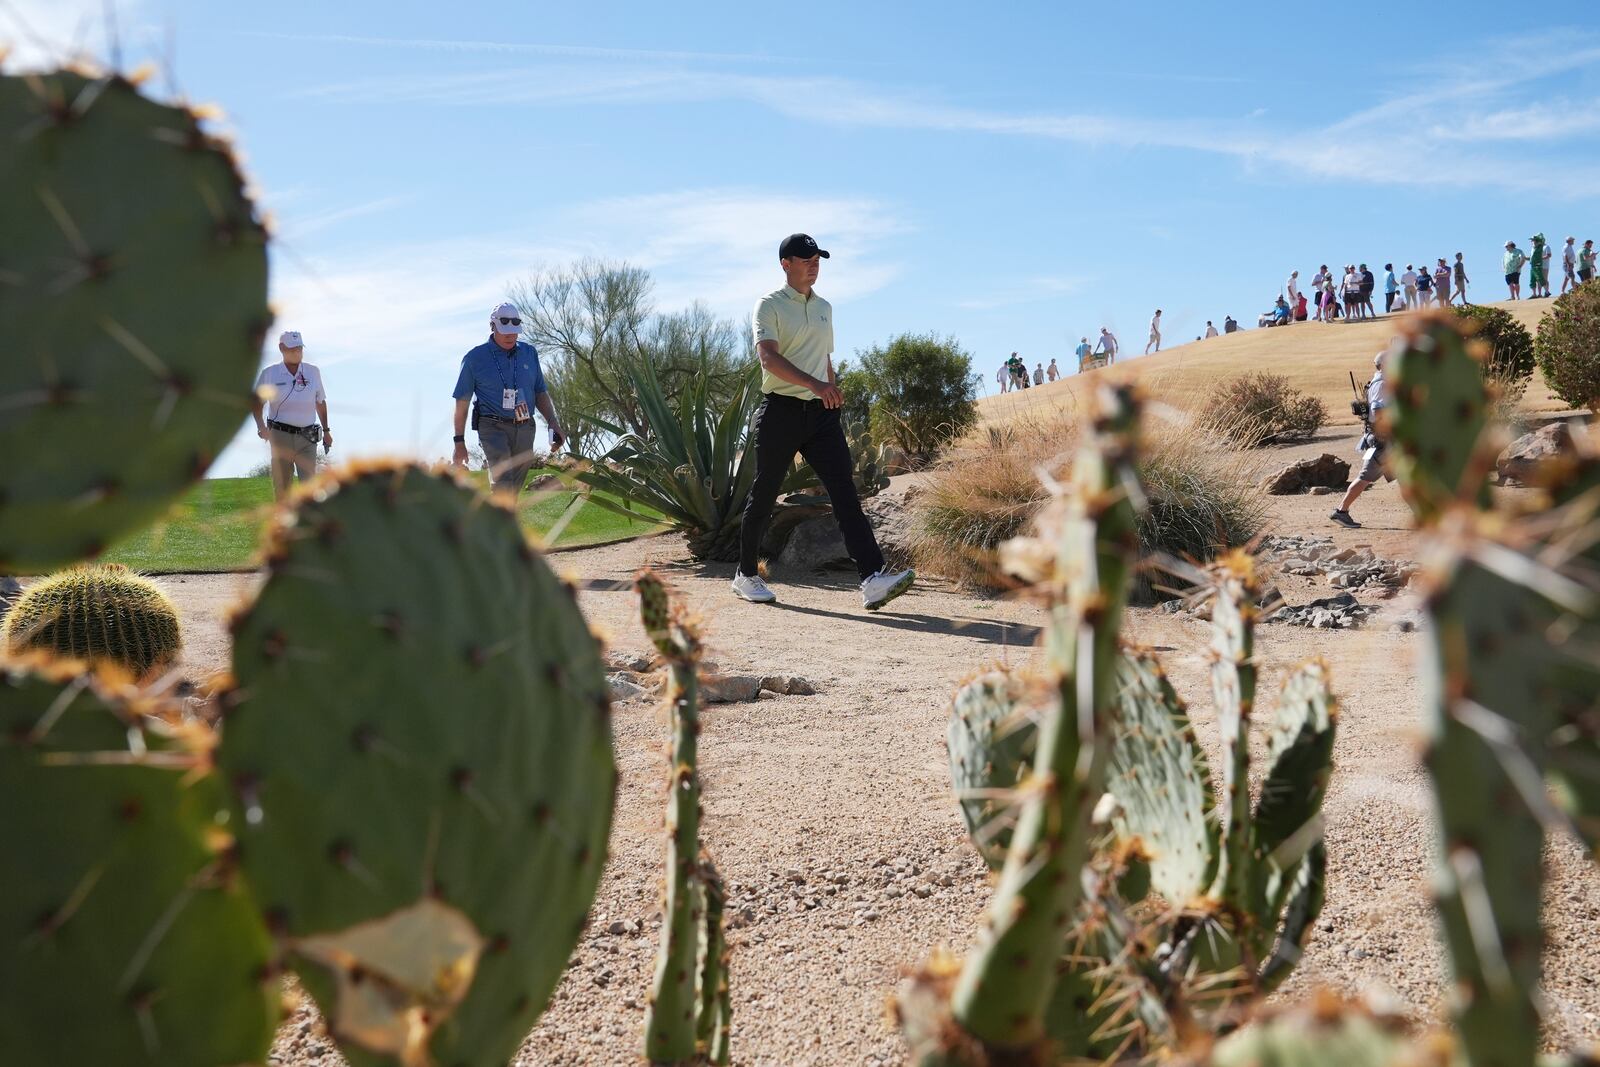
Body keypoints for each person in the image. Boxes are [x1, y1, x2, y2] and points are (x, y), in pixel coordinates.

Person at [733, 233, 914, 611]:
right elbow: (768, 359)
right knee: (764, 494)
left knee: (845, 493)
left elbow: (825, 358)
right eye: (806, 258)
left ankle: (872, 578)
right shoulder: (767, 306)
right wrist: (815, 384)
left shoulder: (825, 307)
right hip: (780, 410)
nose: (814, 264)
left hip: (821, 416)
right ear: (786, 264)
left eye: (818, 258)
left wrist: (830, 389)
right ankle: (746, 575)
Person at [451, 302, 565, 498]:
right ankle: (502, 525)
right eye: (505, 331)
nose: (510, 335)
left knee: (513, 488)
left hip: (525, 427)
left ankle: (498, 522)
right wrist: (459, 442)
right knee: (503, 482)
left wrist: (553, 422)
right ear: (493, 326)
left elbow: (540, 392)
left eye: (514, 331)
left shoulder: (529, 353)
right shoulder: (474, 359)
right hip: (492, 427)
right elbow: (462, 402)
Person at [253, 330, 331, 501]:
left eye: (299, 348)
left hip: (307, 437)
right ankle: (282, 525)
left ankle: (308, 525)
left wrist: (326, 431)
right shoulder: (270, 373)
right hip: (280, 437)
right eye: (292, 349)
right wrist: (261, 427)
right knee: (282, 488)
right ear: (282, 348)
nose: (297, 352)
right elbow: (257, 404)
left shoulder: (312, 372)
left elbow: (320, 401)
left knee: (309, 488)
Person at [1331, 352, 1393, 529]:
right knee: (1365, 477)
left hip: (1380, 439)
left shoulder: (1378, 382)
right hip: (1383, 440)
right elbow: (1379, 412)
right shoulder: (1382, 384)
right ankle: (1341, 512)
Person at [1529, 233, 1549, 298]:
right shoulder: (1533, 248)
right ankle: (1534, 294)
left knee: (1540, 279)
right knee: (1532, 280)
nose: (1532, 241)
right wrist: (1524, 258)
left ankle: (1546, 292)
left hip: (1537, 265)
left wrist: (1538, 239)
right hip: (1532, 265)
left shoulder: (1541, 247)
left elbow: (1542, 241)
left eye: (1533, 240)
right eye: (1532, 240)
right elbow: (1531, 257)